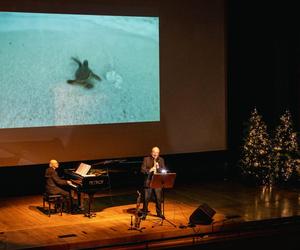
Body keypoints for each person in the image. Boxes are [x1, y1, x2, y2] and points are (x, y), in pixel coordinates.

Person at [141, 146, 166, 219]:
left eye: (157, 152)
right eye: (154, 152)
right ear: (151, 152)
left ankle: (159, 213)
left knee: (158, 199)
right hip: (148, 181)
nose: (155, 154)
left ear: (159, 153)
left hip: (157, 182)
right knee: (146, 199)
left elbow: (163, 169)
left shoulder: (161, 160)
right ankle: (144, 213)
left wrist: (159, 168)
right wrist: (150, 170)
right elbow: (142, 170)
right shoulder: (146, 159)